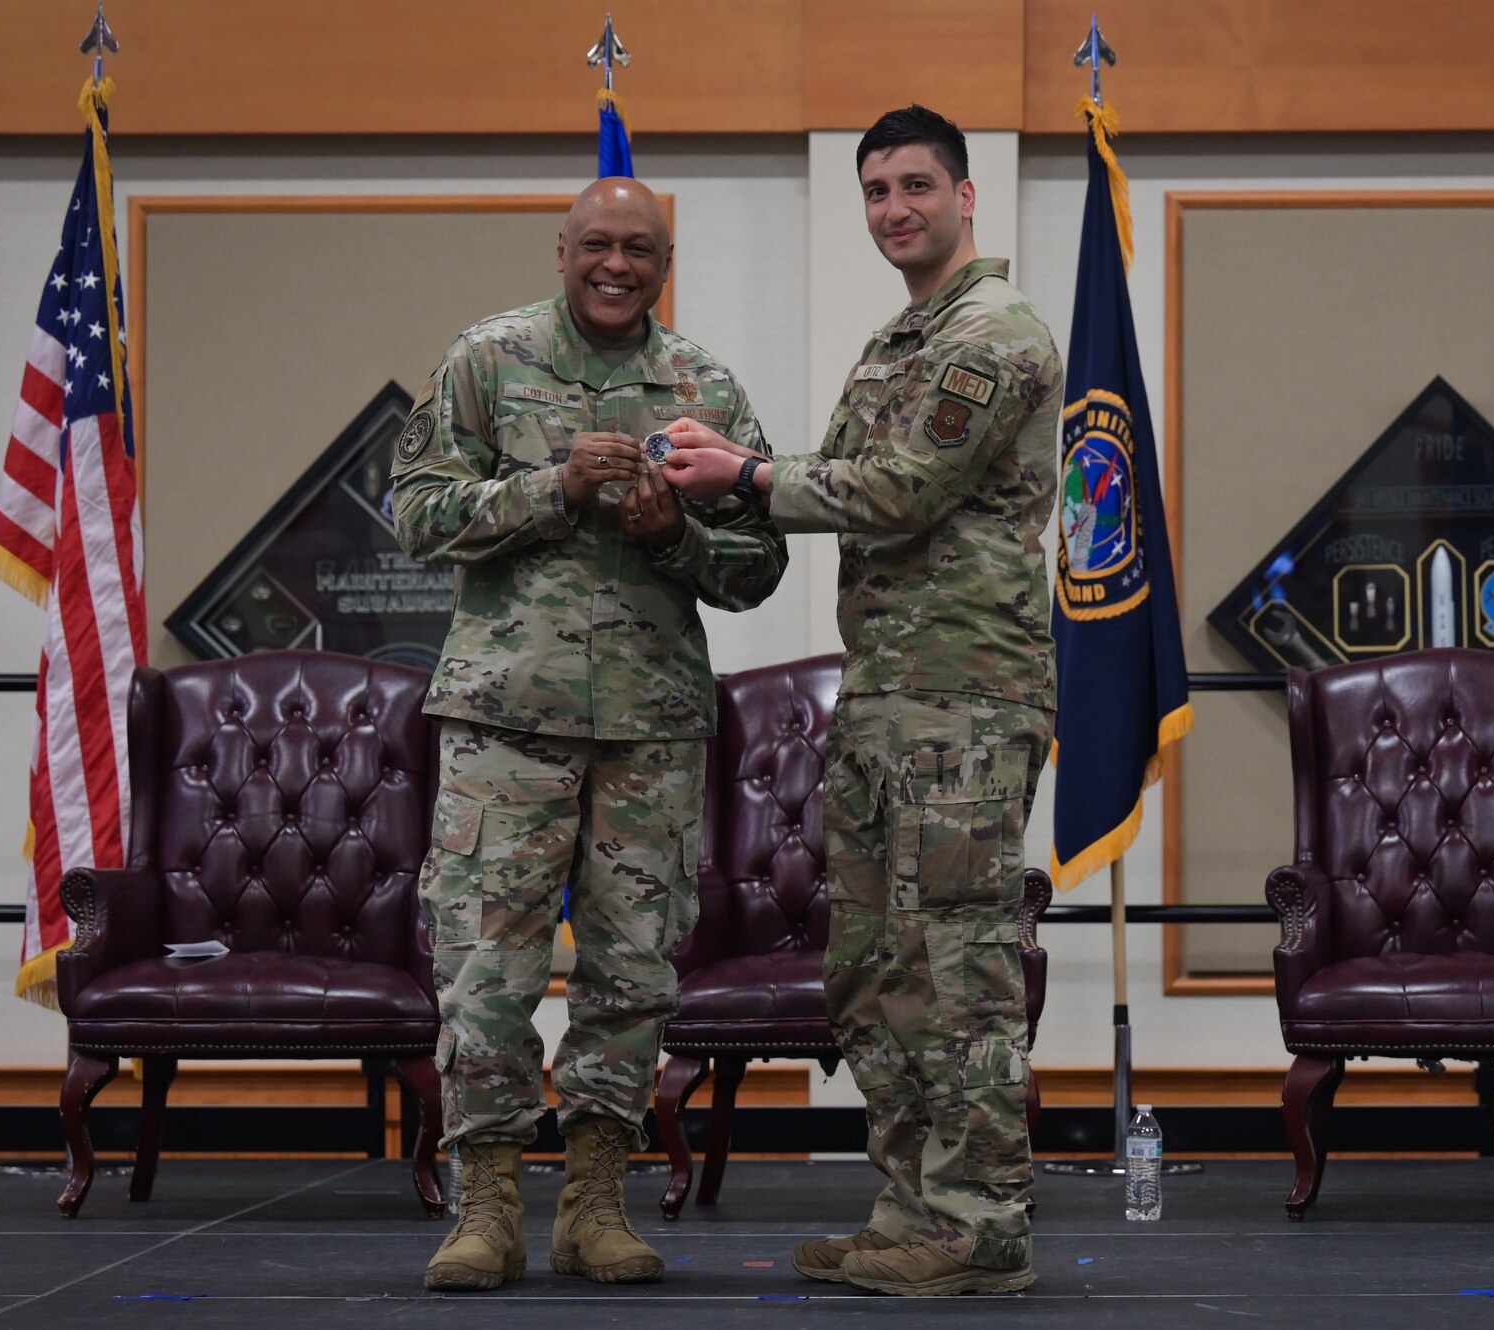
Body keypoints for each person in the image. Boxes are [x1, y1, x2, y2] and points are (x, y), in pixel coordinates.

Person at [662, 106, 1062, 1297]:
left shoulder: (994, 336)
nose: (895, 209)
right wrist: (702, 473)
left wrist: (740, 474)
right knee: (876, 967)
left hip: (968, 699)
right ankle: (910, 1213)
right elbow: (830, 478)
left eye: (915, 187)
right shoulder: (897, 340)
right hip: (887, 692)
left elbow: (895, 491)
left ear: (964, 196)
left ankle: (980, 1226)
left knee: (960, 965)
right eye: (877, 191)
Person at [391, 177, 787, 1292]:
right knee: (484, 969)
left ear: (664, 263)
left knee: (633, 966)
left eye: (641, 251)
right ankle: (484, 1207)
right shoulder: (486, 357)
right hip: (504, 717)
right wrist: (548, 490)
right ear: (560, 247)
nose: (617, 266)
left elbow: (758, 567)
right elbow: (414, 513)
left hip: (651, 726)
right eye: (597, 246)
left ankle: (594, 1202)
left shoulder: (703, 384)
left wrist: (674, 536)